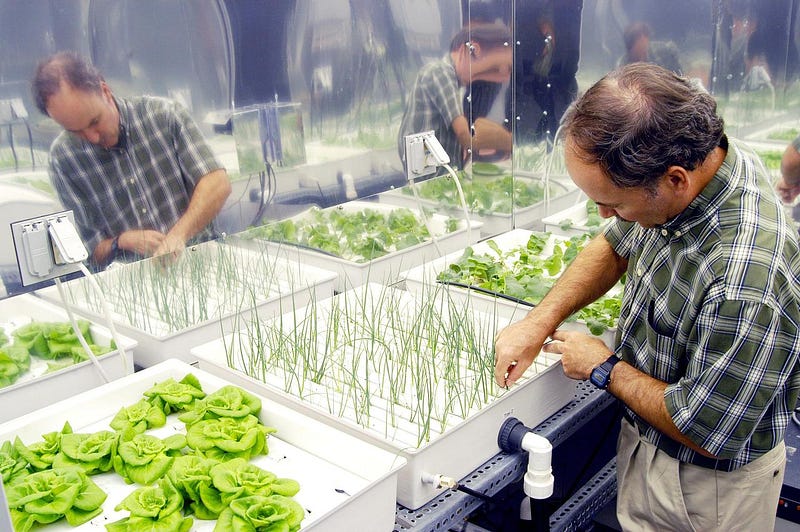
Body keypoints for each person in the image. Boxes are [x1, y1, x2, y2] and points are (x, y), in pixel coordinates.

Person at [494, 63, 800, 530]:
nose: (604, 214)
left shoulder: (747, 276)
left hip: (704, 490)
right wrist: (538, 321)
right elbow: (617, 243)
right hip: (654, 450)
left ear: (675, 180)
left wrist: (603, 366)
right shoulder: (701, 170)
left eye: (614, 202)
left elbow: (705, 428)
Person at [31, 51, 231, 268]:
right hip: (133, 281)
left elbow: (217, 183)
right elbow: (87, 253)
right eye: (75, 131)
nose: (92, 137)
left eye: (94, 121)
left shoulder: (163, 116)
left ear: (105, 91)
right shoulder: (63, 160)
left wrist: (178, 235)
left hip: (202, 261)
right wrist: (121, 242)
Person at [397, 23, 513, 170]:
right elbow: (464, 136)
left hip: (435, 168)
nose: (502, 78)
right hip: (426, 169)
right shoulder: (440, 72)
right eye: (498, 69)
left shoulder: (456, 83)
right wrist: (503, 140)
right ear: (474, 50)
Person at [617, 21, 683, 75]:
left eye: (645, 35)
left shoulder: (663, 49)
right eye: (638, 38)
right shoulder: (622, 67)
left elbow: (679, 72)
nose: (644, 42)